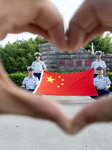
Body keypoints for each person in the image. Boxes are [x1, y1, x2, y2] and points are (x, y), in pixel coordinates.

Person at [1, 0, 112, 135]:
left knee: (96, 88)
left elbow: (103, 71)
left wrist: (99, 75)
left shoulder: (98, 66)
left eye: (100, 56)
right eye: (36, 57)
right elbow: (44, 72)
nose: (37, 58)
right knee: (37, 86)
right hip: (38, 76)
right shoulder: (35, 65)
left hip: (89, 77)